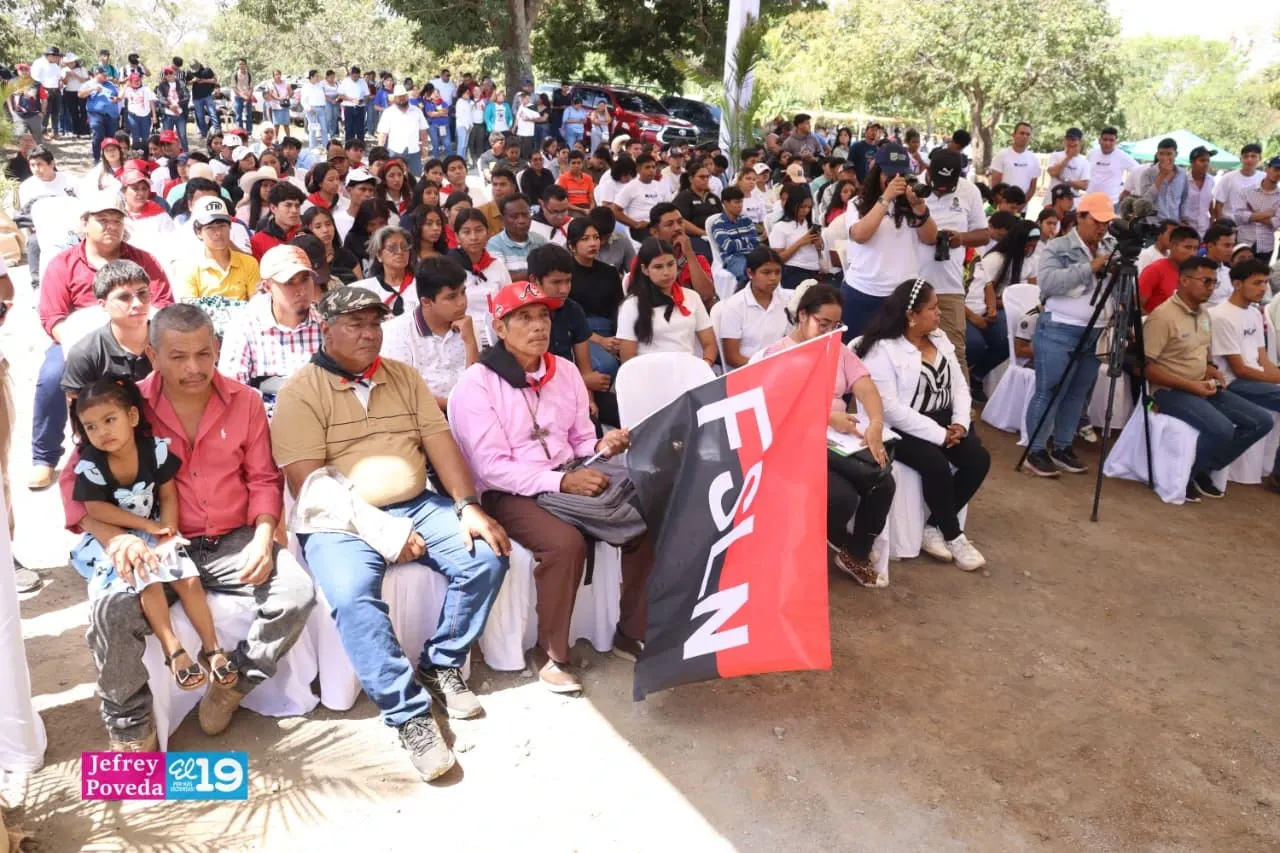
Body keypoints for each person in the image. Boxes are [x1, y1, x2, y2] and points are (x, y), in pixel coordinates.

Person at [271, 286, 509, 780]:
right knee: (353, 595)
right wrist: (384, 532)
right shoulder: (300, 392)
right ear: (326, 328)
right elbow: (311, 488)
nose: (368, 333)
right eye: (355, 324)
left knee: (486, 554)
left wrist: (467, 506)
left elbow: (440, 445)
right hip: (341, 522)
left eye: (374, 323)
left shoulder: (403, 376)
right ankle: (409, 715)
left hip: (420, 505)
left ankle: (441, 662)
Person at [62, 304, 315, 750]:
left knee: (296, 594)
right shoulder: (122, 406)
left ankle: (233, 683)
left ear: (217, 349)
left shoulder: (247, 401)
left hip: (233, 539)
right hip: (153, 542)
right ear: (153, 355)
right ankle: (130, 722)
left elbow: (262, 478)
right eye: (178, 356)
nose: (194, 367)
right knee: (111, 613)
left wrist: (262, 535)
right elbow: (73, 484)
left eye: (204, 353)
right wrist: (116, 537)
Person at [448, 281, 653, 693]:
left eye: (543, 316)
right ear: (500, 328)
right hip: (510, 491)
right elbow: (491, 467)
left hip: (569, 471)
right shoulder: (477, 382)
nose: (538, 326)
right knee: (564, 544)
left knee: (648, 509)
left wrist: (602, 446)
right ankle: (552, 652)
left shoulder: (565, 371)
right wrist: (561, 481)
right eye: (523, 317)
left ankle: (633, 629)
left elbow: (579, 439)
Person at [70, 376, 230, 690]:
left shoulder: (153, 450)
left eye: (109, 420)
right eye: (90, 427)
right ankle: (174, 651)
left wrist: (167, 533)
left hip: (156, 528)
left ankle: (211, 648)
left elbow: (169, 495)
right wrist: (146, 527)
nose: (102, 432)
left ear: (132, 416)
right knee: (149, 581)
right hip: (116, 537)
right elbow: (95, 510)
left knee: (189, 579)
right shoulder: (91, 463)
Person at [32, 192, 174, 491]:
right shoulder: (63, 264)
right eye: (102, 220)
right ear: (84, 224)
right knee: (52, 376)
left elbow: (163, 302)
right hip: (77, 339)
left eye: (116, 220)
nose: (110, 226)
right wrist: (82, 346)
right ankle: (45, 455)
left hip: (139, 331)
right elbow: (53, 317)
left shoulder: (142, 259)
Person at [755, 283, 894, 584]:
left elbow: (866, 387)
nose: (830, 331)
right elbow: (776, 410)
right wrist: (828, 418)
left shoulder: (839, 351)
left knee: (883, 478)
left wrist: (875, 424)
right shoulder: (777, 354)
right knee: (840, 497)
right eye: (823, 323)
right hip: (795, 441)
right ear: (803, 315)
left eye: (837, 325)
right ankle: (834, 542)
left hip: (838, 439)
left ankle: (855, 553)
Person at [855, 279, 989, 571]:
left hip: (944, 420)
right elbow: (890, 407)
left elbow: (959, 387)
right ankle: (954, 535)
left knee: (978, 459)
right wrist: (938, 435)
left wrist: (960, 424)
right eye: (932, 308)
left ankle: (934, 526)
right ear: (911, 315)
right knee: (936, 464)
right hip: (900, 427)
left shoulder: (939, 338)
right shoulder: (884, 349)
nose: (939, 313)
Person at [1143, 257, 1273, 501]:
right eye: (1206, 282)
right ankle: (1187, 474)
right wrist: (1190, 385)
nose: (1212, 288)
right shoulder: (1163, 317)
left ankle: (1203, 467)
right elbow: (1146, 369)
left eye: (1214, 282)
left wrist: (1211, 367)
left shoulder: (1202, 312)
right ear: (1184, 281)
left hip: (1202, 385)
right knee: (1222, 428)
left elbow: (1203, 350)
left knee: (1261, 421)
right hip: (1170, 391)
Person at [1022, 193, 1117, 478]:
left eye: (1107, 222)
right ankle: (1036, 449)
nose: (1102, 228)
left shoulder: (1112, 245)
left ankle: (1062, 445)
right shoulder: (1058, 245)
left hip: (1096, 329)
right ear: (1082, 218)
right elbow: (1049, 283)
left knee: (1078, 392)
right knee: (1050, 389)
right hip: (1059, 325)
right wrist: (1090, 267)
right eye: (1097, 221)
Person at [842, 143, 938, 338]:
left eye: (901, 175)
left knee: (897, 357)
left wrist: (919, 207)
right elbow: (860, 235)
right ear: (877, 173)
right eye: (890, 175)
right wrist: (886, 198)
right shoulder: (857, 203)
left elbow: (930, 238)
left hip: (901, 296)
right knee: (854, 355)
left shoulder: (913, 204)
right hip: (862, 292)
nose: (896, 180)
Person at [1207, 258, 1280, 491]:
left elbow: (1263, 361)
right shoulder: (1221, 315)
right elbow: (1239, 369)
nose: (1263, 289)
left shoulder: (1254, 314)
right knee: (1262, 420)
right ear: (1237, 284)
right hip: (1233, 383)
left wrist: (1277, 376)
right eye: (1257, 282)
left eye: (1265, 283)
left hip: (1253, 378)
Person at [919, 148, 989, 377]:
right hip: (911, 281)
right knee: (908, 351)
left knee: (955, 353)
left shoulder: (970, 191)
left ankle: (962, 411)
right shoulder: (913, 187)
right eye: (937, 182)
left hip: (949, 286)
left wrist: (961, 239)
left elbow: (984, 234)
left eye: (947, 185)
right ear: (928, 170)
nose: (941, 189)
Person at [381, 255, 478, 411]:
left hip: (468, 414)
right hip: (423, 420)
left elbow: (476, 388)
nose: (462, 302)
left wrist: (470, 343)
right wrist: (455, 406)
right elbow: (401, 393)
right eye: (451, 297)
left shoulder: (466, 326)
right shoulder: (397, 333)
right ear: (426, 302)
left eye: (463, 292)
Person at [965, 220, 1040, 398]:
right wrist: (996, 306)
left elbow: (1030, 291)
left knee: (1006, 341)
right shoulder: (994, 259)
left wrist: (994, 307)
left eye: (1033, 246)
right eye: (1027, 245)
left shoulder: (1031, 260)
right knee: (977, 344)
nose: (1029, 249)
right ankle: (962, 378)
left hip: (999, 308)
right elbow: (981, 290)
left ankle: (977, 375)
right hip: (979, 308)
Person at [60, 261, 156, 400]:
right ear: (103, 305)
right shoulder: (84, 355)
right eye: (123, 297)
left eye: (142, 293)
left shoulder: (172, 340)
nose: (138, 304)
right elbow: (78, 414)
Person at [616, 238, 716, 363]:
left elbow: (709, 343)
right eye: (658, 267)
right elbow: (628, 357)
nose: (667, 273)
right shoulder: (631, 305)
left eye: (670, 264)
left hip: (689, 371)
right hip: (650, 374)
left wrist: (706, 364)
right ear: (645, 269)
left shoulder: (692, 297)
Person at [718, 247, 790, 368]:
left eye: (777, 272)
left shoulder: (785, 302)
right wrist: (765, 366)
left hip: (778, 369)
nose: (773, 278)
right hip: (747, 371)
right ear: (750, 273)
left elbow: (789, 341)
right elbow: (732, 357)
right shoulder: (734, 306)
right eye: (766, 273)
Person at [451, 207, 512, 347]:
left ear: (488, 233)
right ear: (456, 237)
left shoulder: (498, 266)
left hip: (498, 337)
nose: (473, 237)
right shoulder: (448, 268)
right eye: (466, 232)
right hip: (460, 339)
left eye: (479, 230)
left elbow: (509, 304)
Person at [767, 186, 824, 290]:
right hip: (793, 271)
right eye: (802, 207)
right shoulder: (781, 227)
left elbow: (819, 254)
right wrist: (800, 243)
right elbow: (778, 259)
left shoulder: (809, 225)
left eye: (809, 207)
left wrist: (818, 245)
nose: (806, 210)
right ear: (793, 205)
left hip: (814, 270)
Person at [611, 154, 673, 242]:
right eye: (647, 167)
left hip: (659, 225)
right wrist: (635, 224)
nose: (651, 170)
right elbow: (615, 210)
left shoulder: (659, 186)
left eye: (653, 167)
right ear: (638, 170)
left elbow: (668, 209)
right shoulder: (630, 187)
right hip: (640, 229)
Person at [1138, 225, 1201, 313]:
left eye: (1195, 248)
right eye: (1187, 247)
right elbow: (1136, 307)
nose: (1192, 253)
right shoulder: (1154, 270)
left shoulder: (1195, 273)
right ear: (1172, 246)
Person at [1232, 156, 1280, 265]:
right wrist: (1267, 214)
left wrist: (1252, 214)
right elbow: (1239, 216)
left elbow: (1276, 223)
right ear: (1267, 169)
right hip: (1244, 242)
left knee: (1259, 277)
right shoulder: (1247, 191)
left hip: (1266, 246)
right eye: (1275, 169)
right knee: (1239, 275)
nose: (1278, 174)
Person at [486, 194, 546, 281]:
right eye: (514, 217)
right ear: (503, 219)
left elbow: (552, 271)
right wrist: (539, 273)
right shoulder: (494, 244)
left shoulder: (540, 240)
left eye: (525, 215)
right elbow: (502, 278)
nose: (521, 221)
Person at [710, 186, 761, 285]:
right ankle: (742, 295)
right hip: (733, 258)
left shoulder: (747, 220)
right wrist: (747, 240)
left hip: (752, 255)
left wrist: (739, 242)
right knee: (745, 273)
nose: (740, 205)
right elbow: (729, 246)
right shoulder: (718, 224)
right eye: (737, 202)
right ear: (725, 203)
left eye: (741, 202)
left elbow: (756, 241)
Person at [672, 160, 722, 261]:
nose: (705, 180)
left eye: (707, 177)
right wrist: (703, 233)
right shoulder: (684, 197)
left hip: (716, 234)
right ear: (691, 179)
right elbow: (680, 220)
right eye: (701, 177)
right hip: (694, 236)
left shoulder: (713, 198)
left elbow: (722, 217)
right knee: (707, 256)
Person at [376, 85, 428, 177]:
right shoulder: (388, 112)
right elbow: (383, 133)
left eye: (404, 96)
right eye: (399, 97)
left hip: (414, 151)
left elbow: (423, 131)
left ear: (407, 96)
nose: (402, 98)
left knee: (416, 178)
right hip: (394, 151)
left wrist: (425, 147)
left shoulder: (417, 111)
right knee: (394, 178)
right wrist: (380, 152)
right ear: (394, 98)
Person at [1138, 138, 1189, 223]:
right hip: (1153, 224)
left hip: (1174, 224)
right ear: (1157, 155)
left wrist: (1183, 219)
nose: (1165, 158)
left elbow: (1184, 199)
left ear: (1175, 154)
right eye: (1161, 154)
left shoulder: (1182, 174)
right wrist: (1162, 176)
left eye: (1169, 154)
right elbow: (1145, 201)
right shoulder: (1148, 173)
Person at [1086, 126, 1138, 207]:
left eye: (1111, 140)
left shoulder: (1122, 156)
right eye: (1105, 139)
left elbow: (1138, 171)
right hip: (1090, 200)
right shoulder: (1091, 154)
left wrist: (1126, 190)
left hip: (1111, 203)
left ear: (1115, 142)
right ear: (1100, 140)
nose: (1107, 143)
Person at [1211, 143, 1263, 222]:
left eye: (1253, 156)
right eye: (1246, 156)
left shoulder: (1265, 178)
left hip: (1255, 226)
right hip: (1231, 226)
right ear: (1241, 159)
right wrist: (1219, 224)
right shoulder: (1228, 178)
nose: (1249, 159)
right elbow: (1219, 204)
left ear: (1260, 158)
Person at [80, 65, 122, 163]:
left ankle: (110, 160)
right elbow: (80, 94)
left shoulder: (110, 84)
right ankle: (97, 158)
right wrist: (92, 89)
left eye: (106, 75)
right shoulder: (89, 84)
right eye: (103, 75)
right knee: (98, 135)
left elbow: (119, 94)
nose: (105, 77)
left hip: (111, 115)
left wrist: (118, 99)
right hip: (96, 114)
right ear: (96, 74)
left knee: (111, 138)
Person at [988, 122, 1040, 198]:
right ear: (1013, 135)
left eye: (1028, 134)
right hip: (1003, 205)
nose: (1024, 136)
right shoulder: (1001, 155)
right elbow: (995, 184)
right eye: (1021, 133)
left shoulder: (1034, 159)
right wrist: (1002, 203)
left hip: (1023, 207)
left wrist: (1021, 204)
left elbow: (1032, 187)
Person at [1044, 128, 1091, 204]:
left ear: (1080, 142)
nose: (1070, 142)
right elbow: (1052, 172)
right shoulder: (1055, 155)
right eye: (1068, 139)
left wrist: (1065, 179)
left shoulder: (1085, 161)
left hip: (1071, 203)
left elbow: (1084, 185)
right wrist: (1069, 157)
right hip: (1051, 200)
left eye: (1073, 140)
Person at [1181, 146, 1216, 237]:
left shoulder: (1211, 181)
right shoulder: (1182, 181)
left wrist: (1213, 219)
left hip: (1205, 229)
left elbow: (1210, 201)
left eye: (1208, 161)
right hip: (1185, 229)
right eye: (1202, 160)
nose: (1206, 164)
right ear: (1192, 162)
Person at [339, 66, 370, 142]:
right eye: (354, 76)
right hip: (349, 107)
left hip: (360, 107)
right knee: (349, 128)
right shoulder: (345, 81)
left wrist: (362, 101)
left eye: (357, 76)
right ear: (351, 74)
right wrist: (351, 99)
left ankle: (360, 145)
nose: (356, 78)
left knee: (360, 128)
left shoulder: (362, 82)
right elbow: (340, 95)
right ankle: (349, 146)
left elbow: (367, 95)